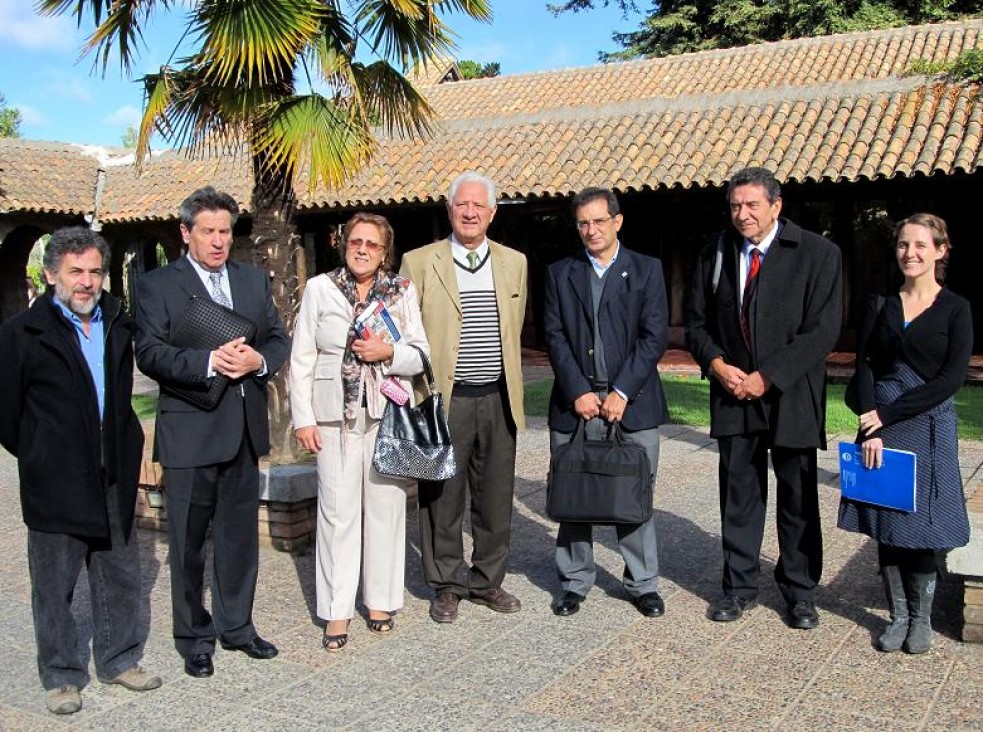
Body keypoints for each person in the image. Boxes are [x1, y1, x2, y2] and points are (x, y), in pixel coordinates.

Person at [0, 227, 161, 715]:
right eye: (76, 272)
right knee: (54, 584)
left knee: (120, 575)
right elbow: (8, 416)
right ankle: (62, 675)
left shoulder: (116, 320)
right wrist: (41, 454)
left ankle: (118, 659)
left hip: (112, 472)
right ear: (51, 275)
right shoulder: (21, 334)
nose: (87, 281)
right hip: (55, 482)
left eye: (94, 271)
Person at [135, 186, 289, 678]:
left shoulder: (251, 279)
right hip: (190, 433)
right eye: (209, 232)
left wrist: (259, 359)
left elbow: (277, 338)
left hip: (243, 430)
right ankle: (194, 637)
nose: (219, 241)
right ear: (186, 233)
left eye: (225, 231)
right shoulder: (159, 285)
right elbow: (149, 353)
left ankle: (238, 628)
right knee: (188, 541)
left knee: (239, 537)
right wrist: (208, 361)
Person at [686, 166, 842, 629]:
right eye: (735, 206)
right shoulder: (714, 250)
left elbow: (823, 330)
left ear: (776, 206)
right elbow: (695, 323)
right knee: (739, 494)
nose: (743, 214)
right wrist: (716, 364)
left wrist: (769, 376)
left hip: (791, 391)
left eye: (752, 205)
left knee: (797, 495)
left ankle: (799, 591)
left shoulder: (817, 253)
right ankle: (738, 586)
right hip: (733, 390)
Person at [290, 213, 429, 651]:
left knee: (386, 506)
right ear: (343, 244)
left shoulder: (401, 291)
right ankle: (336, 609)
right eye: (356, 241)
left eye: (372, 243)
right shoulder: (319, 289)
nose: (363, 249)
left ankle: (382, 600)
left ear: (385, 251)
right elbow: (301, 359)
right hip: (335, 415)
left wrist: (389, 351)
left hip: (388, 410)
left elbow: (421, 352)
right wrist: (304, 418)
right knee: (337, 511)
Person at [839, 213, 972, 654]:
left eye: (919, 245)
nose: (909, 253)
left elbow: (951, 378)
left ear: (940, 250)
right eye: (902, 245)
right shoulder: (880, 303)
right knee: (889, 521)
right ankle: (897, 615)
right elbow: (865, 365)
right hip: (880, 424)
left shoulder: (956, 309)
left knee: (923, 526)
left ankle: (922, 619)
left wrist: (889, 415)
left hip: (928, 421)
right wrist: (869, 421)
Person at [400, 171, 528, 623]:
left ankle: (487, 580)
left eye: (479, 206)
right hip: (443, 398)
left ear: (492, 213)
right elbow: (404, 332)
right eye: (461, 205)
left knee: (495, 496)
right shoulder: (419, 262)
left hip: (497, 396)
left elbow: (513, 328)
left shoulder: (515, 262)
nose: (470, 213)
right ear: (449, 209)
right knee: (442, 497)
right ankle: (447, 583)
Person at [544, 187, 670, 618]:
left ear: (617, 221)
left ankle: (642, 583)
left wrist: (620, 392)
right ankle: (574, 580)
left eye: (599, 221)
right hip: (574, 399)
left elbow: (655, 337)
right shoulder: (561, 272)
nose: (591, 230)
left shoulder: (646, 270)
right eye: (583, 223)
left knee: (634, 493)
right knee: (575, 491)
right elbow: (555, 336)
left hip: (632, 400)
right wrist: (578, 389)